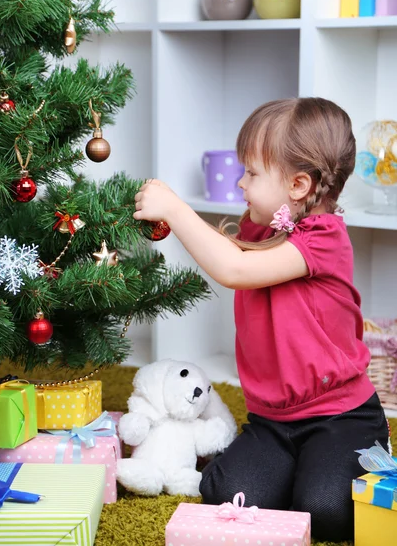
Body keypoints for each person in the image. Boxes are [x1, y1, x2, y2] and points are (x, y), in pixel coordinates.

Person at [133, 97, 389, 542]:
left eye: (251, 173)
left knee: (326, 510)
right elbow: (231, 253)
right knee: (227, 496)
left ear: (298, 185)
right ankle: (293, 467)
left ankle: (338, 460)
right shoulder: (265, 228)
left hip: (340, 416)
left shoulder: (324, 237)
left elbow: (234, 270)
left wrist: (176, 208)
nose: (240, 184)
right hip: (273, 420)